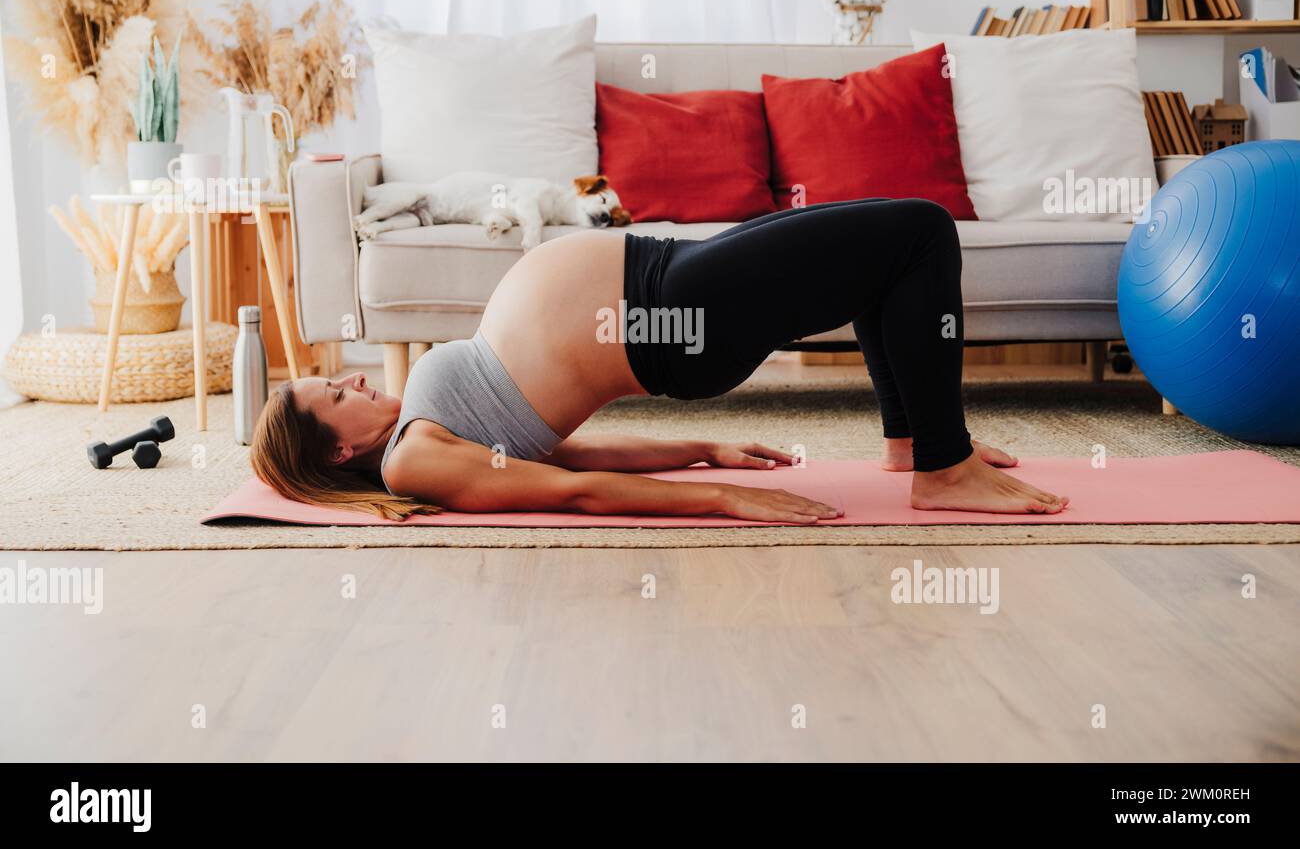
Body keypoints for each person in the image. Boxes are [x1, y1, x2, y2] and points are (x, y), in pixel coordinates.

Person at [252, 198, 1068, 521]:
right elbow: (570, 488)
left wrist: (700, 448)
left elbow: (559, 447)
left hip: (662, 272)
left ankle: (915, 445)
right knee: (921, 231)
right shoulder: (411, 466)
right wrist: (718, 498)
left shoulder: (429, 432)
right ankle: (945, 468)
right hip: (672, 317)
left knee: (873, 255)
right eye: (335, 393)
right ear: (339, 449)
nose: (353, 378)